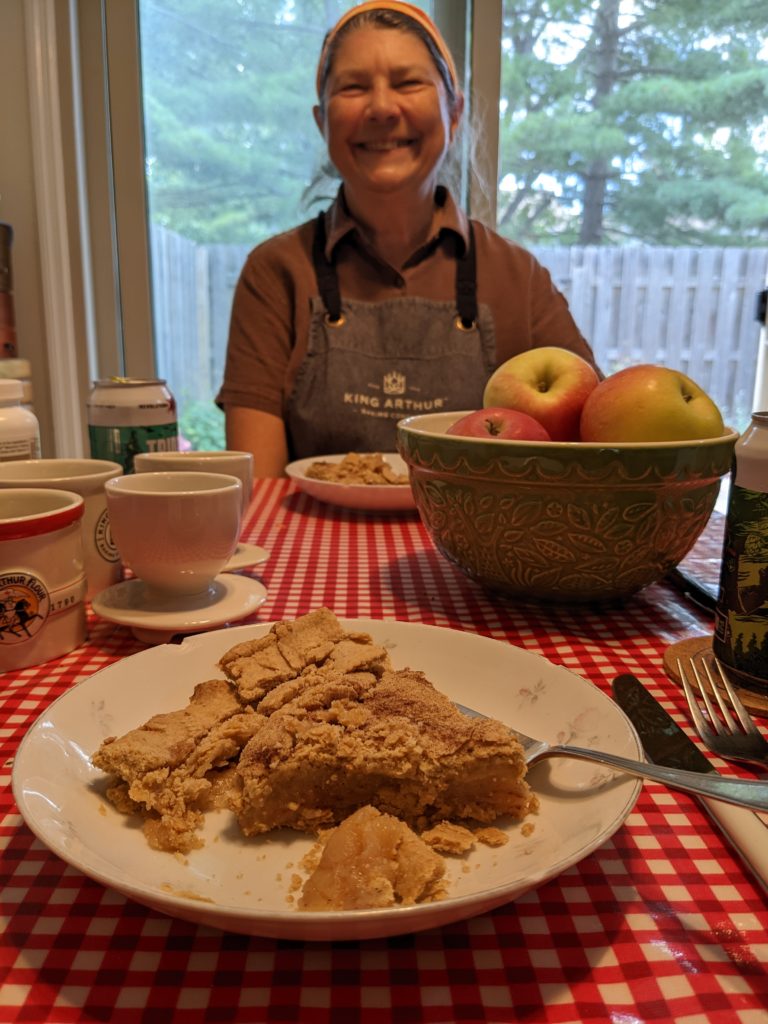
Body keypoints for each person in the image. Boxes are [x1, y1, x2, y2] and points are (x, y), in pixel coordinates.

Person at [217, 0, 597, 477]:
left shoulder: (517, 278)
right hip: (317, 551)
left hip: (477, 552)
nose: (381, 108)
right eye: (353, 87)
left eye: (408, 83)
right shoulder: (275, 272)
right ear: (322, 123)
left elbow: (585, 457)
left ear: (454, 113)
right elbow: (260, 498)